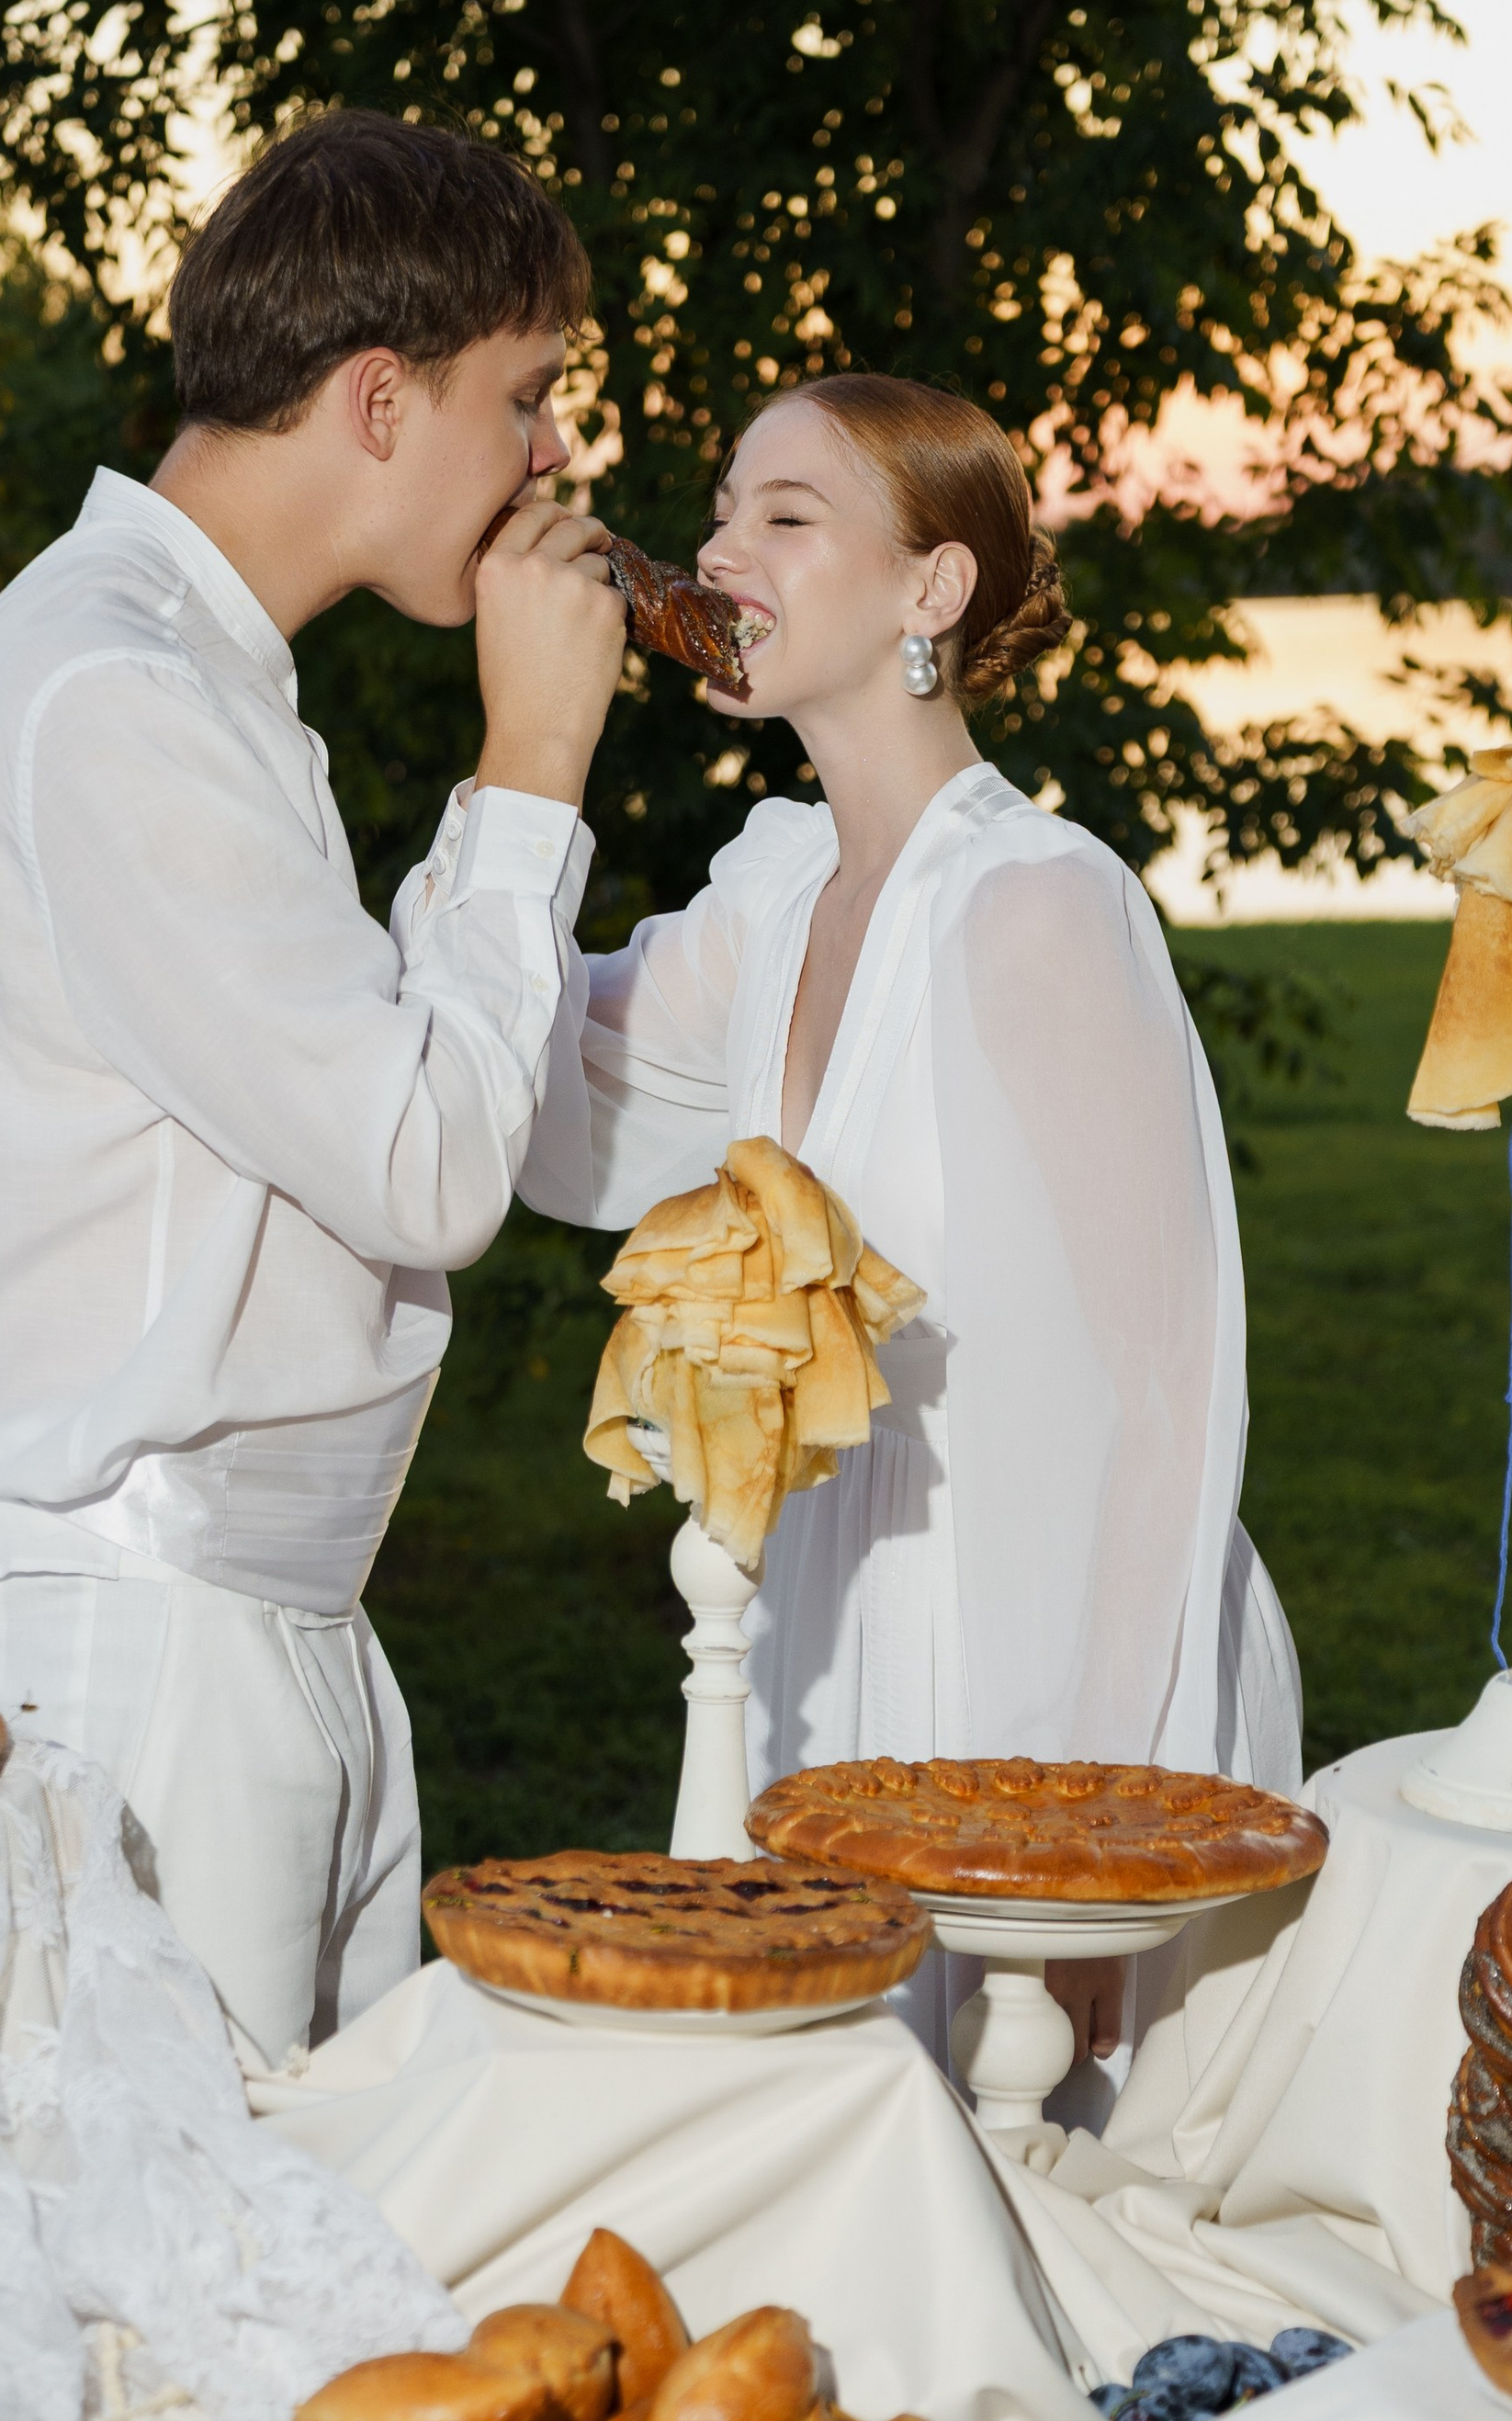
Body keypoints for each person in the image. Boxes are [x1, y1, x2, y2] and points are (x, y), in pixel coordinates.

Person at [0, 111, 625, 2064]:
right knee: (161, 2214)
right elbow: (424, 1166)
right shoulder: (115, 694)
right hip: (114, 1648)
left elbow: (385, 1086)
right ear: (381, 400)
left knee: (302, 2205)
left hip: (236, 1626)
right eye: (524, 396)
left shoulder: (180, 671)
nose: (549, 456)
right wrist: (534, 761)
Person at [520, 375, 1302, 2076]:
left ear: (930, 590)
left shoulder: (1037, 909)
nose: (723, 551)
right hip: (824, 1643)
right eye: (722, 510)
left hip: (1043, 1680)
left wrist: (1097, 1849)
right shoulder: (774, 893)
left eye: (788, 517)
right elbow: (516, 1075)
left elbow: (1165, 1409)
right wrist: (528, 755)